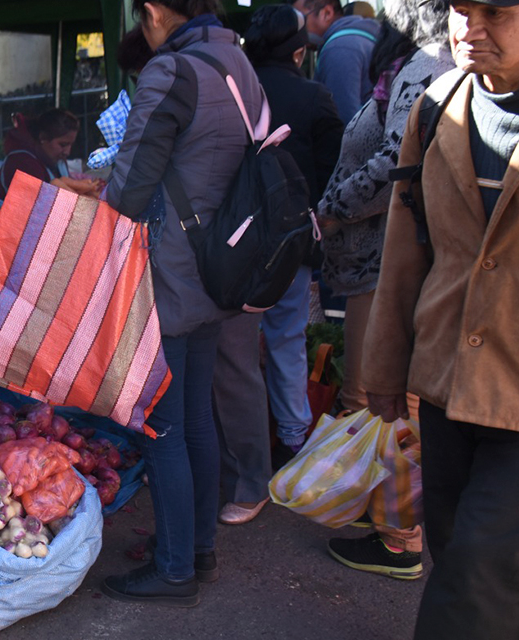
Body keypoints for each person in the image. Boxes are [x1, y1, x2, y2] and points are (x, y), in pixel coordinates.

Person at [365, 0, 519, 630]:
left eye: (494, 12)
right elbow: (406, 248)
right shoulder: (438, 104)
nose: (470, 30)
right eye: (460, 11)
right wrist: (385, 367)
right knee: (463, 565)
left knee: (479, 561)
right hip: (446, 382)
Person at [100, 0, 267, 606]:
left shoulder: (170, 71)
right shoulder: (235, 60)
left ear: (152, 9)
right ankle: (197, 550)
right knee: (196, 416)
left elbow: (129, 187)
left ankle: (174, 570)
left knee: (162, 425)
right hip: (217, 263)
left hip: (169, 269)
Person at [318, 0, 453, 580]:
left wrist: (331, 210)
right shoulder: (421, 67)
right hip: (382, 258)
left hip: (384, 260)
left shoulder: (422, 68)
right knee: (388, 398)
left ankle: (400, 537)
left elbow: (394, 167)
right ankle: (391, 525)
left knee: (386, 398)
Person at [213, 4, 344, 526]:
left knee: (236, 353)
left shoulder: (233, 87)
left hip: (236, 245)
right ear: (298, 51)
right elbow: (335, 172)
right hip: (292, 243)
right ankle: (293, 439)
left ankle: (246, 457)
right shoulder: (314, 96)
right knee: (288, 339)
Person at [292, 0, 381, 121]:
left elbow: (344, 121)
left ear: (327, 13)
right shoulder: (360, 38)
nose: (297, 29)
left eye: (301, 20)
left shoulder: (338, 48)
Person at [0, 108, 95, 198]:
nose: (67, 152)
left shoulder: (58, 160)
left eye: (70, 145)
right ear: (43, 137)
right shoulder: (22, 163)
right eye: (63, 145)